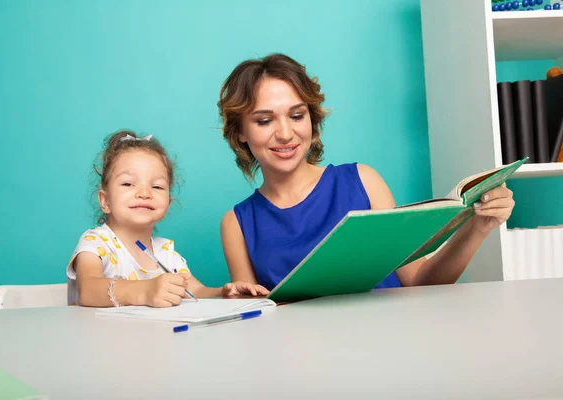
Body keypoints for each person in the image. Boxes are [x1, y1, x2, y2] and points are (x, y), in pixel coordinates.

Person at [217, 53, 515, 291]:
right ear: (240, 131)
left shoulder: (363, 181)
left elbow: (420, 280)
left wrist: (477, 229)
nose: (285, 133)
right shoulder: (237, 223)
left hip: (388, 348)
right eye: (264, 121)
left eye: (297, 115)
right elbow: (252, 316)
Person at [66, 130, 268, 307]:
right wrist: (145, 291)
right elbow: (88, 290)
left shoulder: (166, 254)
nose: (144, 193)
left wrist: (225, 293)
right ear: (105, 200)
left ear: (168, 203)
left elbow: (195, 292)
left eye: (157, 186)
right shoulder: (96, 243)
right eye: (128, 184)